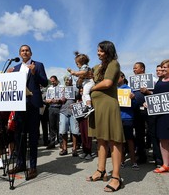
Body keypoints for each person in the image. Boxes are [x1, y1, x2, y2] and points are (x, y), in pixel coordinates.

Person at [87, 41, 125, 192]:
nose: (98, 53)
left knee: (114, 140)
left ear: (108, 51)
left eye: (101, 51)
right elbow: (87, 80)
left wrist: (92, 88)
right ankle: (101, 170)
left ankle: (116, 177)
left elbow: (108, 83)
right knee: (100, 139)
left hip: (108, 105)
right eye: (97, 51)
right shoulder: (96, 68)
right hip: (96, 106)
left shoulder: (114, 64)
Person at [8, 44, 48, 180]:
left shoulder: (38, 65)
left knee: (33, 137)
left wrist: (34, 73)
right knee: (19, 136)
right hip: (19, 105)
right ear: (20, 54)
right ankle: (20, 163)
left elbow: (45, 82)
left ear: (31, 53)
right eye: (22, 51)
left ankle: (32, 167)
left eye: (27, 50)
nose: (25, 52)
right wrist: (8, 76)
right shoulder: (15, 68)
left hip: (33, 104)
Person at [149, 59, 169, 173]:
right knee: (163, 139)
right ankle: (165, 165)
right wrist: (149, 103)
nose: (162, 70)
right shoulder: (160, 82)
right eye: (162, 68)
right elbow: (155, 97)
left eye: (165, 67)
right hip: (161, 116)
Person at [118, 72, 139, 170]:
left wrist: (133, 99)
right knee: (120, 141)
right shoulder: (113, 90)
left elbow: (135, 106)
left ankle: (133, 161)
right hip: (117, 118)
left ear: (122, 77)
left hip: (127, 118)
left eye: (117, 77)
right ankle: (121, 161)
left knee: (130, 140)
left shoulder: (129, 89)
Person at [67, 51, 95, 117]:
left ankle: (89, 106)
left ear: (81, 62)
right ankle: (87, 107)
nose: (77, 65)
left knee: (85, 94)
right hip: (86, 83)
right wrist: (73, 72)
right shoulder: (81, 69)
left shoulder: (84, 67)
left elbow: (83, 72)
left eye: (77, 63)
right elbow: (79, 75)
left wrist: (75, 73)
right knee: (83, 95)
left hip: (89, 82)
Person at [58, 76, 79, 157]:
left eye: (69, 80)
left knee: (74, 131)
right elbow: (56, 100)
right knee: (63, 130)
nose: (67, 81)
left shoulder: (75, 89)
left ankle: (74, 149)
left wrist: (75, 104)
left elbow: (79, 98)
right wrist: (60, 99)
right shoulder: (61, 90)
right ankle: (64, 148)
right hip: (63, 111)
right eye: (66, 80)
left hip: (73, 111)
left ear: (71, 81)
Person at [46, 75, 62, 149]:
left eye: (53, 81)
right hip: (51, 107)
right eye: (51, 81)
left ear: (56, 80)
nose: (52, 82)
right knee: (51, 126)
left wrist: (58, 100)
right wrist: (50, 100)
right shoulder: (49, 89)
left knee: (59, 125)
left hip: (59, 107)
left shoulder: (61, 87)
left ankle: (60, 142)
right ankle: (52, 142)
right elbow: (47, 99)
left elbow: (63, 97)